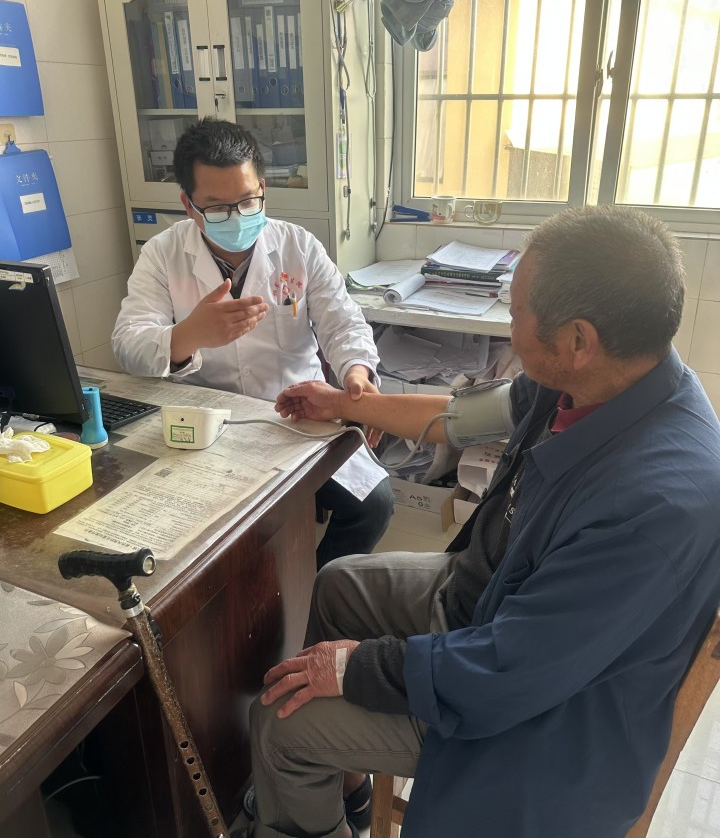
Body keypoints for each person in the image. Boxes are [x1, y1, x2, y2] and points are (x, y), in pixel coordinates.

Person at [241, 207, 720, 838]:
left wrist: (359, 669)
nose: (510, 326)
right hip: (489, 604)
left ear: (578, 341)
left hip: (535, 711)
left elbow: (512, 670)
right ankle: (345, 785)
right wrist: (343, 404)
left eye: (516, 313)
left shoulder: (654, 502)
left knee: (280, 723)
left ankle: (306, 778)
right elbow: (459, 418)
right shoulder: (593, 383)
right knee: (338, 585)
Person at [112, 118, 393, 568]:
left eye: (247, 201)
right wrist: (188, 336)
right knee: (215, 537)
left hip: (297, 416)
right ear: (188, 205)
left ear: (263, 188)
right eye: (217, 208)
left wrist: (357, 373)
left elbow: (343, 324)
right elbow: (128, 345)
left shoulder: (298, 246)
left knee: (373, 505)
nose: (237, 217)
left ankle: (314, 589)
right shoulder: (162, 254)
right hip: (205, 424)